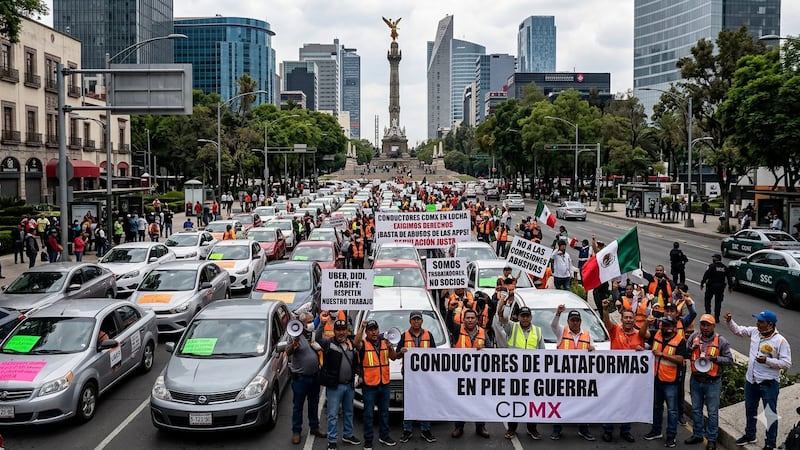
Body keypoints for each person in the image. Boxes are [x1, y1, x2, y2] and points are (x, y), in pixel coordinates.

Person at [724, 309, 792, 450]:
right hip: (751, 382)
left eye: (761, 321)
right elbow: (738, 331)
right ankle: (750, 435)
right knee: (750, 409)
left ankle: (770, 444)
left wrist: (767, 361)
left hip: (769, 384)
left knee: (770, 415)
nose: (757, 323)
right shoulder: (755, 332)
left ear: (770, 324)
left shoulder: (780, 341)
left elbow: (786, 363)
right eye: (758, 320)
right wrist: (730, 321)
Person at [683, 314, 733, 450]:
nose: (705, 328)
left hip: (713, 382)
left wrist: (716, 359)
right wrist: (690, 350)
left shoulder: (721, 341)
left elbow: (729, 360)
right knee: (696, 409)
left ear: (713, 326)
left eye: (708, 325)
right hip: (696, 380)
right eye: (703, 324)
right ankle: (698, 434)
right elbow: (684, 353)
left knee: (712, 412)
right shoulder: (694, 337)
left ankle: (711, 439)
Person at [496, 302, 543, 440]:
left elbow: (543, 354)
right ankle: (512, 428)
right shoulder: (512, 327)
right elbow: (502, 319)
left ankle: (532, 428)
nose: (525, 319)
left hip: (532, 375)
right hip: (515, 374)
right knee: (514, 401)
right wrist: (504, 304)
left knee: (532, 402)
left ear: (530, 318)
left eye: (527, 316)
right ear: (519, 317)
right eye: (522, 316)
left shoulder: (538, 331)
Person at [600, 299, 643, 443]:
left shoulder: (639, 334)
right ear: (622, 319)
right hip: (614, 377)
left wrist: (642, 351)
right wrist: (605, 310)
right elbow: (607, 323)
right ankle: (608, 430)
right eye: (626, 317)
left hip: (630, 379)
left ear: (634, 319)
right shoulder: (615, 330)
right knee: (611, 403)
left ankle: (626, 430)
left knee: (627, 404)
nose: (628, 320)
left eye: (631, 317)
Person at [550, 305, 595, 441]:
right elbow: (553, 325)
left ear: (580, 321)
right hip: (563, 376)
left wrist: (592, 349)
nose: (575, 322)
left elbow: (593, 353)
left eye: (577, 320)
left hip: (581, 377)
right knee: (560, 404)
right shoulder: (561, 332)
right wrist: (558, 313)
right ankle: (557, 430)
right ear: (568, 321)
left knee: (583, 404)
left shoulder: (587, 335)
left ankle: (583, 429)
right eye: (572, 320)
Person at [642, 316, 688, 448]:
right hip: (656, 378)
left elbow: (680, 359)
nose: (664, 328)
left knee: (672, 411)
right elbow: (643, 334)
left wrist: (662, 354)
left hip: (671, 381)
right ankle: (656, 431)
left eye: (668, 326)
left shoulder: (680, 341)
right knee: (656, 407)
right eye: (663, 325)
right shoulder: (657, 334)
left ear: (674, 328)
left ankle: (671, 437)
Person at [444, 307, 490, 439]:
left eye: (472, 318)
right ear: (463, 320)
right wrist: (450, 312)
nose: (470, 320)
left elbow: (491, 351)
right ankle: (459, 427)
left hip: (478, 374)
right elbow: (449, 324)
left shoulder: (482, 332)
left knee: (479, 401)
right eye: (467, 318)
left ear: (476, 320)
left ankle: (480, 426)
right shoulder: (458, 330)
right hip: (461, 374)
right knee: (460, 402)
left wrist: (485, 348)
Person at [316, 319, 361, 450]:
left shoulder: (352, 343)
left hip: (349, 385)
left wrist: (359, 375)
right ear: (334, 331)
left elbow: (356, 363)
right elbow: (318, 338)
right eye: (338, 330)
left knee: (348, 412)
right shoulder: (328, 343)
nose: (341, 332)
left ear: (347, 331)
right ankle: (332, 440)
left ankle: (348, 435)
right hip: (334, 386)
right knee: (332, 415)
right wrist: (322, 323)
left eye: (343, 330)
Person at [353, 319, 398, 449]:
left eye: (375, 329)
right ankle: (368, 440)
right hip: (369, 386)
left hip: (384, 384)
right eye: (370, 330)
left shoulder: (385, 342)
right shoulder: (363, 344)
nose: (373, 332)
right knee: (368, 414)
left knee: (384, 412)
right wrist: (361, 327)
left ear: (378, 330)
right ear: (366, 332)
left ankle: (384, 436)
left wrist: (391, 348)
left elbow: (393, 357)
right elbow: (356, 344)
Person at [285, 312, 326, 445]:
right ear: (302, 323)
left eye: (312, 320)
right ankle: (296, 432)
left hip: (314, 377)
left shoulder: (312, 334)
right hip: (300, 379)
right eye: (308, 321)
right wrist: (294, 344)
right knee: (298, 406)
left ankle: (314, 427)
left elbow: (319, 333)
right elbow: (288, 352)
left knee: (314, 404)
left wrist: (322, 322)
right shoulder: (295, 336)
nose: (311, 323)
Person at [397, 311, 437, 444]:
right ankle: (407, 430)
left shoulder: (428, 335)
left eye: (418, 319)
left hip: (424, 376)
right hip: (409, 376)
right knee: (408, 403)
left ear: (422, 321)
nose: (416, 322)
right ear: (410, 322)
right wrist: (400, 352)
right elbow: (396, 355)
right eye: (414, 320)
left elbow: (435, 354)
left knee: (425, 402)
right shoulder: (404, 336)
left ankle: (425, 430)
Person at [700, 254, 732, 324]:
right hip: (720, 287)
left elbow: (706, 275)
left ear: (716, 259)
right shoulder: (724, 267)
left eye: (714, 258)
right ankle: (716, 318)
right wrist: (730, 286)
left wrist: (702, 283)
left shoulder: (711, 266)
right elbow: (729, 277)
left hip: (711, 286)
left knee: (707, 300)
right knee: (718, 303)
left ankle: (708, 314)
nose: (713, 259)